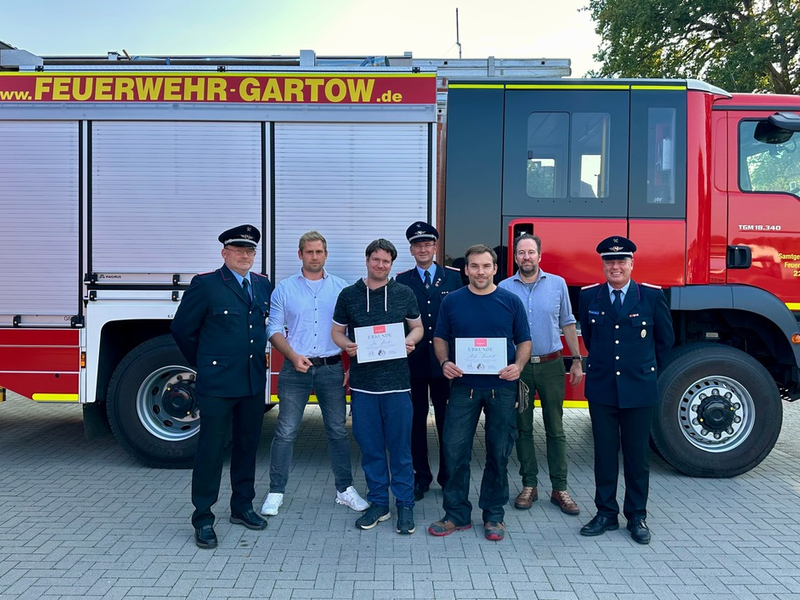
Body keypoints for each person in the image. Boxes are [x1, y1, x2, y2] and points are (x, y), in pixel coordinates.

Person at [171, 224, 272, 549]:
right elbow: (183, 330)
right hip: (217, 384)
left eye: (250, 250)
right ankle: (203, 517)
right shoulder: (207, 285)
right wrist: (206, 363)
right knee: (211, 451)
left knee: (247, 447)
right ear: (224, 253)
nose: (245, 255)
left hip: (253, 382)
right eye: (239, 249)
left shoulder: (261, 284)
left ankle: (242, 506)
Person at [260, 231, 368, 517]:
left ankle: (344, 490)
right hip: (295, 368)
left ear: (326, 254)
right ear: (300, 255)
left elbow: (352, 330)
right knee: (285, 431)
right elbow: (272, 329)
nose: (314, 256)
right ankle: (275, 491)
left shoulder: (341, 288)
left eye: (319, 251)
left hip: (332, 368)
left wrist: (350, 368)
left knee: (337, 431)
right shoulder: (284, 289)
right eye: (309, 252)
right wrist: (293, 356)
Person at [428, 244, 531, 542]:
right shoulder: (453, 301)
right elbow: (439, 337)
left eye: (486, 266)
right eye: (474, 266)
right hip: (464, 387)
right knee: (453, 449)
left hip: (502, 387)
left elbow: (524, 340)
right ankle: (456, 513)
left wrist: (518, 366)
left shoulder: (510, 301)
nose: (480, 272)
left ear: (495, 269)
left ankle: (493, 515)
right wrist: (445, 362)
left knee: (499, 452)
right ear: (466, 270)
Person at [578, 236, 674, 545]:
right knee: (605, 455)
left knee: (636, 456)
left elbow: (664, 342)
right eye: (609, 261)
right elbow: (591, 339)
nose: (615, 266)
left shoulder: (650, 296)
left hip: (638, 389)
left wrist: (642, 370)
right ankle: (606, 513)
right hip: (603, 387)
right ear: (603, 265)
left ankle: (636, 516)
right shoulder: (589, 296)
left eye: (621, 261)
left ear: (632, 264)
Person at [331, 238, 424, 534]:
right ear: (367, 260)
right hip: (364, 388)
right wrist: (347, 345)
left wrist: (412, 340)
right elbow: (336, 331)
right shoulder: (349, 295)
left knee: (400, 450)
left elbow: (418, 326)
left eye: (386, 261)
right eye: (376, 260)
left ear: (391, 264)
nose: (380, 265)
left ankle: (405, 505)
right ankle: (379, 503)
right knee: (370, 449)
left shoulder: (403, 293)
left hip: (397, 387)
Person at [498, 233, 583, 515]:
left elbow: (568, 322)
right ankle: (529, 485)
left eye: (530, 252)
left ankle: (560, 488)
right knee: (522, 427)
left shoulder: (557, 284)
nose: (526, 257)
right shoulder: (504, 288)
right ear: (515, 258)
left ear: (539, 255)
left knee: (556, 429)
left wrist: (576, 360)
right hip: (519, 369)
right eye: (521, 253)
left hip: (551, 366)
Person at [395, 222, 462, 501]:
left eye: (428, 244)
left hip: (447, 364)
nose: (423, 249)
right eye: (417, 245)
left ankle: (448, 477)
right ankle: (420, 477)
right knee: (415, 422)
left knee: (449, 422)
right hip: (415, 364)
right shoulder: (401, 280)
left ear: (435, 247)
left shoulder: (455, 278)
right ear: (411, 250)